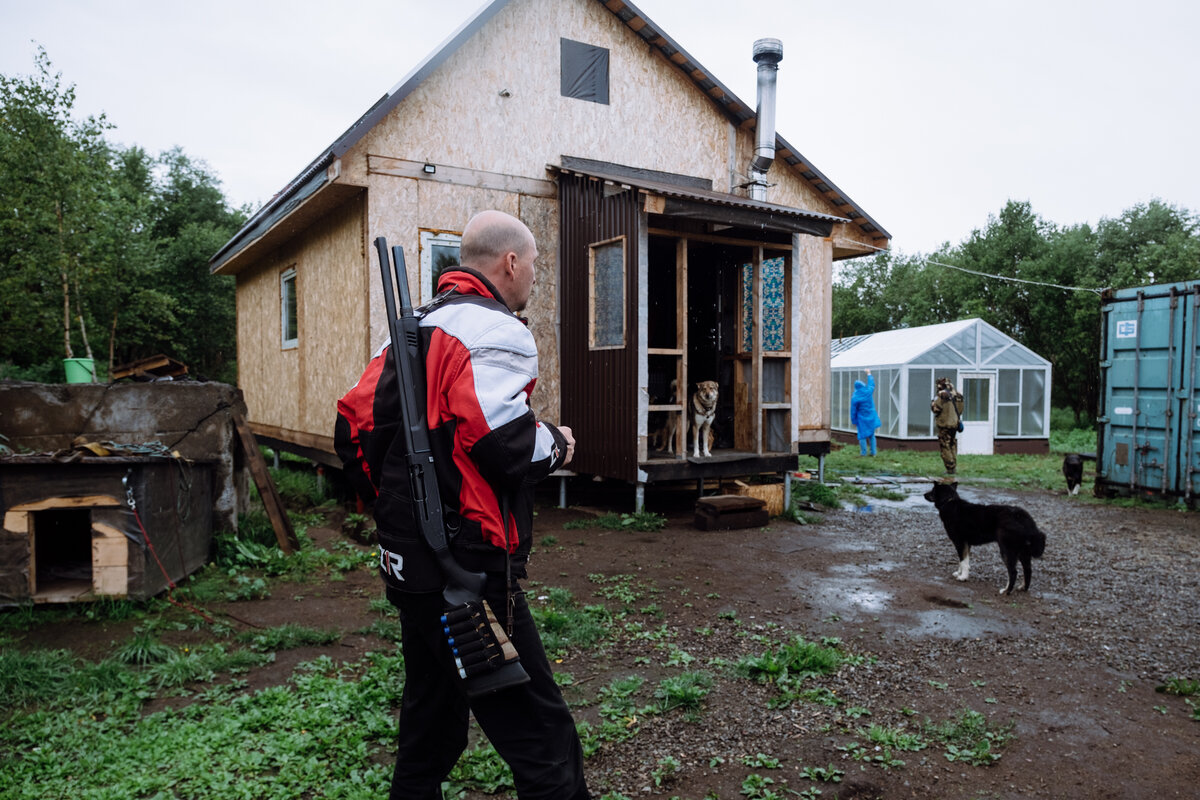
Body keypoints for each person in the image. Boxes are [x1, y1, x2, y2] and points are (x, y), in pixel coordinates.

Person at [335, 210, 590, 800]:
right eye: (534, 264)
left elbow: (353, 431)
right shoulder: (498, 330)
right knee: (541, 738)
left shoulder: (408, 328)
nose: (534, 275)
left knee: (431, 729)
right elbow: (505, 445)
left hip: (412, 567)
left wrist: (398, 515)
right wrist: (559, 442)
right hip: (468, 568)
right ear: (510, 262)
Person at [931, 376, 964, 476]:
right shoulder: (958, 395)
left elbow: (935, 409)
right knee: (952, 445)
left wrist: (933, 402)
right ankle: (953, 466)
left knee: (945, 446)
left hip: (945, 424)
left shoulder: (942, 395)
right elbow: (961, 410)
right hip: (955, 423)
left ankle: (950, 468)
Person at [849, 368, 881, 456]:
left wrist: (853, 421)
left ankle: (863, 453)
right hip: (871, 416)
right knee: (871, 434)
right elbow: (872, 385)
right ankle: (873, 452)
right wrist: (869, 374)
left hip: (862, 418)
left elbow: (853, 410)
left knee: (862, 435)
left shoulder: (855, 397)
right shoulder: (868, 391)